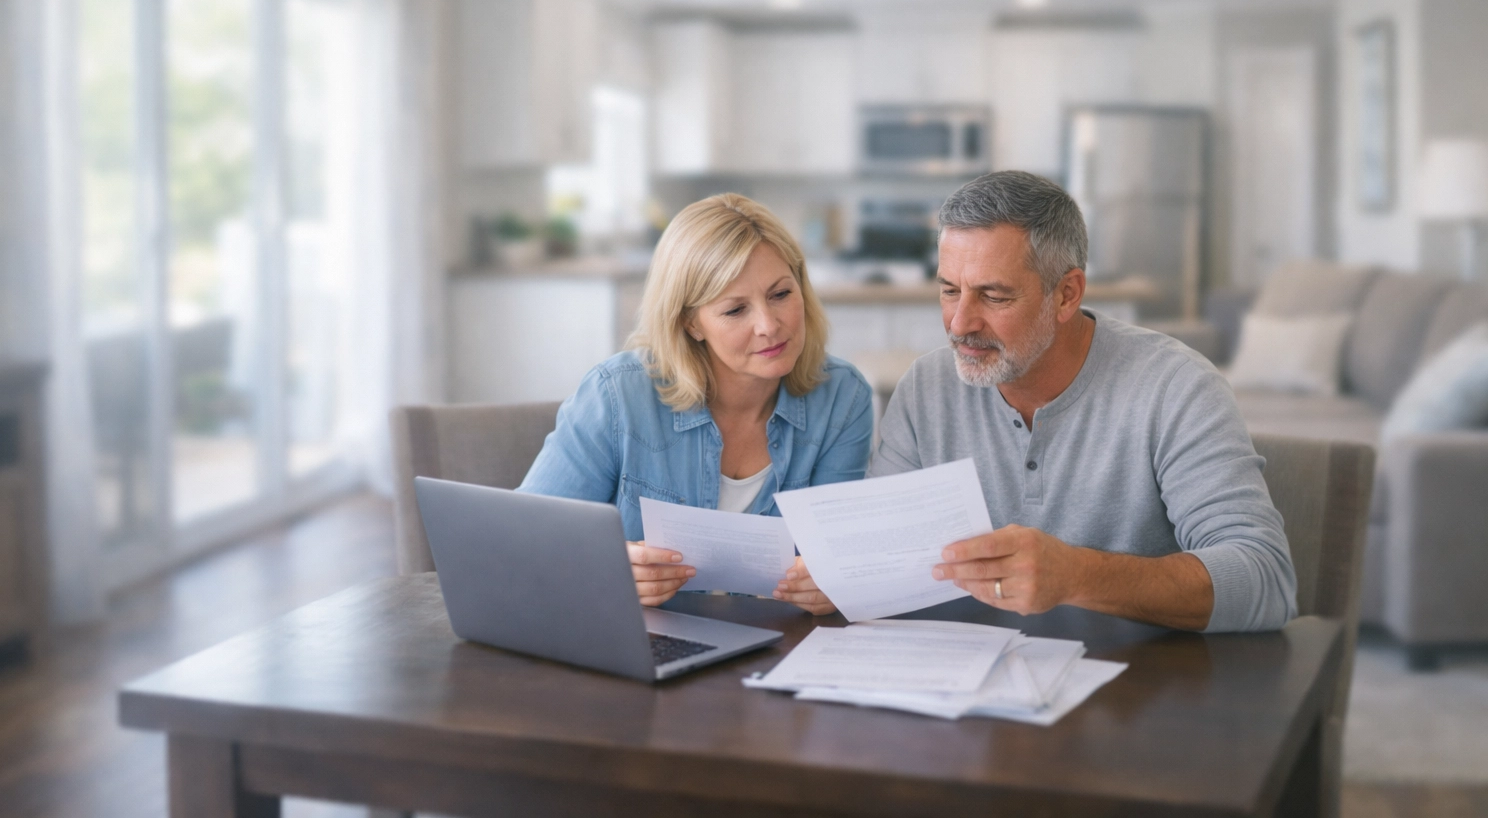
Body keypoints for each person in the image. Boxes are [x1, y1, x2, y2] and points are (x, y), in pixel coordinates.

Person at [871, 171, 1296, 632]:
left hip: (1138, 674)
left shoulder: (1176, 387)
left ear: (1066, 294)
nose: (959, 323)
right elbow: (875, 556)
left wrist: (1077, 575)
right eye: (950, 291)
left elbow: (1265, 581)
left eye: (993, 296)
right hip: (960, 665)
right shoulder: (925, 387)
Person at [519, 193, 872, 615]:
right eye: (735, 310)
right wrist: (604, 569)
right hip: (643, 640)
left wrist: (836, 582)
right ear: (691, 322)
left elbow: (839, 555)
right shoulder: (616, 396)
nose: (768, 325)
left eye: (780, 294)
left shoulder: (842, 397)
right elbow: (526, 543)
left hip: (779, 643)